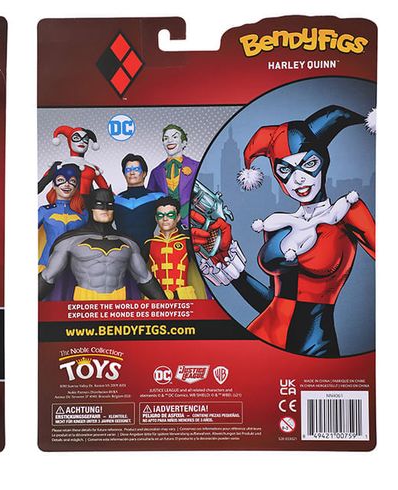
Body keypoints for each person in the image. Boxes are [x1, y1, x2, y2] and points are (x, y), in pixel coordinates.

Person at [192, 105, 375, 357]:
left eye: (309, 164)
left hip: (316, 347)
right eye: (285, 170)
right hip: (262, 340)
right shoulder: (279, 224)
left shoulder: (347, 212)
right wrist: (235, 274)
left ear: (323, 162)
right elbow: (273, 302)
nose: (298, 179)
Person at [39, 189, 165, 301]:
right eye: (99, 204)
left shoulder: (129, 243)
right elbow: (48, 276)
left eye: (109, 205)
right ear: (90, 207)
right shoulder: (70, 241)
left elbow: (144, 278)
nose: (105, 209)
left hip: (118, 304)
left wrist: (168, 309)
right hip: (85, 304)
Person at [146, 197, 204, 299]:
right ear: (156, 218)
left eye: (170, 215)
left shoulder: (187, 241)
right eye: (161, 215)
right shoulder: (149, 243)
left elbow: (202, 267)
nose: (165, 219)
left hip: (183, 297)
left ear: (178, 217)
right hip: (157, 299)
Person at [147, 124, 199, 225]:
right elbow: (150, 200)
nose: (170, 141)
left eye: (174, 137)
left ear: (184, 143)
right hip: (166, 224)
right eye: (166, 138)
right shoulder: (156, 172)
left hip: (192, 222)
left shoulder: (197, 167)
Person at [38, 163, 87, 270]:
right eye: (61, 180)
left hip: (75, 264)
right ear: (53, 185)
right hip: (48, 261)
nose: (67, 184)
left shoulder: (83, 213)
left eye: (72, 181)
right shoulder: (44, 211)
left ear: (76, 187)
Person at [113, 153, 163, 257]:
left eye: (136, 169)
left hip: (150, 253)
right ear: (124, 174)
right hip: (122, 254)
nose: (132, 173)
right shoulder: (115, 200)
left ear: (144, 173)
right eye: (128, 170)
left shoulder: (158, 198)